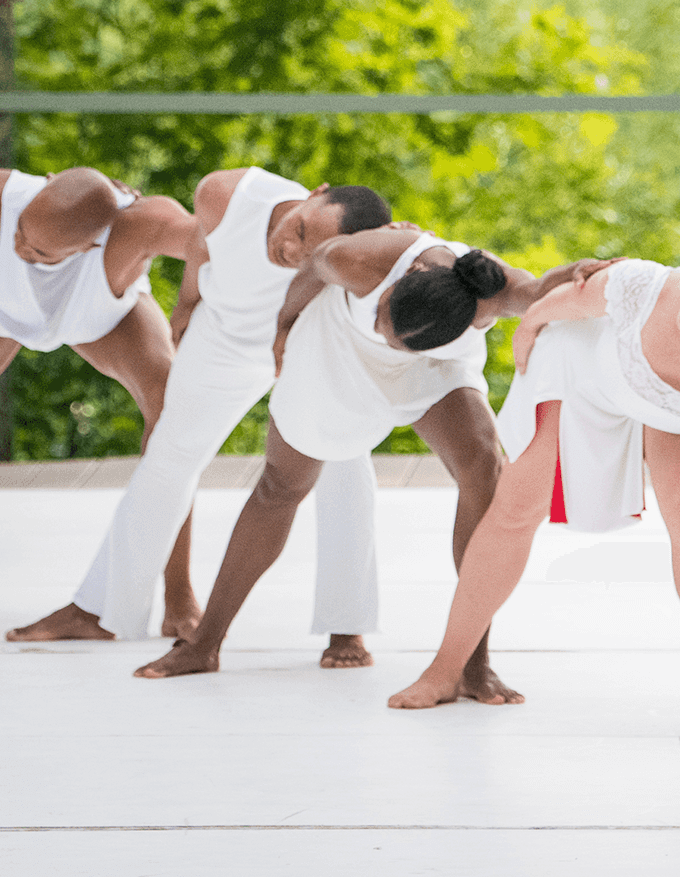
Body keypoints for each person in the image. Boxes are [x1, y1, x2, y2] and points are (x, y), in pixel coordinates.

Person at [134, 227, 610, 693]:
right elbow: (315, 262)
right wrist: (282, 327)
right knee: (282, 485)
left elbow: (552, 290)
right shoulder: (361, 259)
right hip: (336, 348)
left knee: (485, 468)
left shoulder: (494, 294)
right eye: (385, 319)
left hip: (431, 367)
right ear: (407, 276)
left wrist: (589, 274)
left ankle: (471, 663)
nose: (387, 335)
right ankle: (205, 643)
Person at [386, 251, 680, 716]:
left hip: (678, 408)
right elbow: (542, 312)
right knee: (517, 507)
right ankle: (443, 671)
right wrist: (526, 331)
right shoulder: (642, 284)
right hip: (587, 364)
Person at [9, 170, 392, 664]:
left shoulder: (355, 256)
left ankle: (347, 627)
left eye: (312, 252)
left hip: (306, 340)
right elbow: (202, 247)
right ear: (314, 194)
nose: (292, 251)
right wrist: (187, 305)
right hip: (225, 335)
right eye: (298, 230)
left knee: (344, 461)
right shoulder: (227, 193)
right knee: (168, 455)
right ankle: (99, 612)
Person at [3, 168, 196, 641]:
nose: (21, 250)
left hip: (96, 309)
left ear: (91, 242)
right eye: (21, 233)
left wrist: (189, 302)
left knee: (175, 411)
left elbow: (212, 240)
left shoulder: (137, 224)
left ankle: (179, 596)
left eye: (39, 252)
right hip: (7, 305)